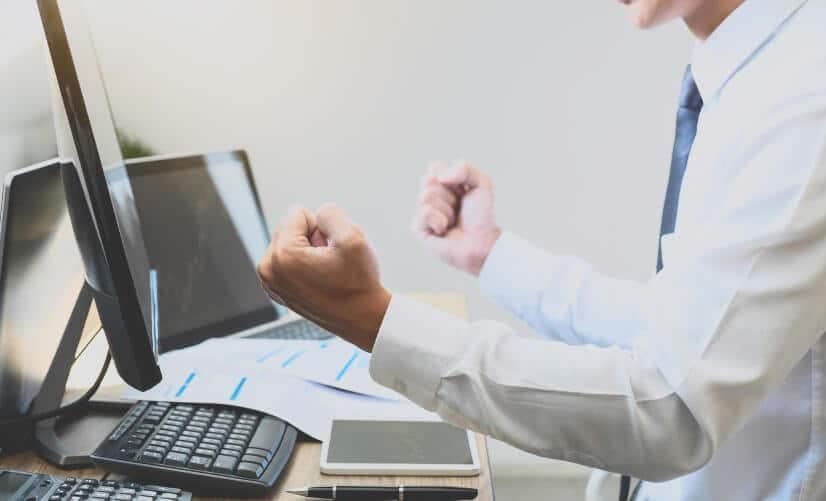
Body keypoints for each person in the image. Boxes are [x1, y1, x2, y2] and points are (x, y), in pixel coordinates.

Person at [257, 0, 826, 499]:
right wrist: (490, 255)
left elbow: (671, 408)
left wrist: (373, 318)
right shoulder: (754, 78)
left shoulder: (803, 101)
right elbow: (681, 326)